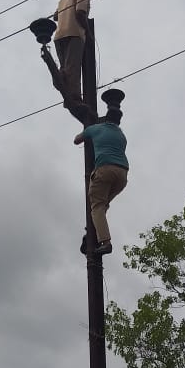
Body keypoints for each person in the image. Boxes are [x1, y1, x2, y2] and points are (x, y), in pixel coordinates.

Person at [73, 104, 128, 255]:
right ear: (118, 122)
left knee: (96, 206)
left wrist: (88, 131)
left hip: (104, 170)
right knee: (102, 206)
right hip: (122, 174)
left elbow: (76, 140)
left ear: (106, 118)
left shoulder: (96, 129)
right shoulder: (122, 136)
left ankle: (105, 242)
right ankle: (94, 231)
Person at [53, 0, 103, 107]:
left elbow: (56, 16)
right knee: (73, 68)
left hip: (59, 36)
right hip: (75, 33)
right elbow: (80, 13)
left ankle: (61, 83)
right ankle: (74, 97)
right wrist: (88, 33)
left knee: (65, 69)